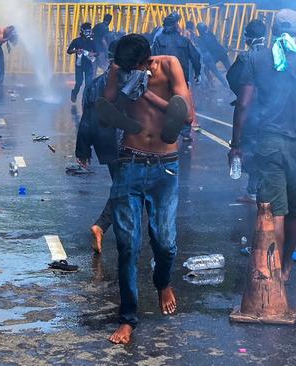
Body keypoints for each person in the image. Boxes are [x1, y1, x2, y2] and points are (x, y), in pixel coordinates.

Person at [229, 9, 296, 281]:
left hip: (270, 141)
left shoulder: (256, 58)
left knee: (274, 210)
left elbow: (243, 104)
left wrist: (236, 144)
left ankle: (273, 269)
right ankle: (285, 267)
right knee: (294, 210)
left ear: (272, 31)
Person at [100, 34, 193, 344]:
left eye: (135, 68)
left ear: (148, 61)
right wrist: (119, 75)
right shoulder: (121, 69)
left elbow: (188, 115)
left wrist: (146, 94)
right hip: (130, 161)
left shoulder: (170, 66)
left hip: (166, 165)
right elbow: (108, 103)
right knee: (128, 245)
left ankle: (163, 281)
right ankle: (128, 318)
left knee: (165, 242)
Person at [75, 41, 119, 254]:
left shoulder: (95, 84)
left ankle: (109, 226)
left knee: (123, 186)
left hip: (106, 145)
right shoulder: (134, 83)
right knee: (126, 188)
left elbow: (87, 118)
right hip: (127, 145)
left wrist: (83, 149)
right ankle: (102, 225)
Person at [227, 19, 267, 203]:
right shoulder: (273, 55)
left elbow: (232, 77)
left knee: (249, 147)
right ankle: (263, 189)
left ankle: (253, 191)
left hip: (251, 110)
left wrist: (242, 94)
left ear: (247, 37)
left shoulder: (245, 57)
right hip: (271, 110)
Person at [67, 22, 97, 103]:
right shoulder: (76, 41)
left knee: (88, 84)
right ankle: (74, 93)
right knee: (79, 83)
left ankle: (84, 99)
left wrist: (92, 53)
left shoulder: (91, 41)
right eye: (87, 32)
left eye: (89, 32)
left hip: (88, 65)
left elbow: (97, 53)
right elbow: (69, 51)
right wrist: (76, 51)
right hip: (79, 65)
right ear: (82, 31)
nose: (88, 34)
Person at [196, 22, 231, 89]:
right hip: (222, 52)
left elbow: (205, 49)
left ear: (200, 30)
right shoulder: (210, 34)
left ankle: (213, 84)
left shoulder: (201, 38)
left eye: (198, 30)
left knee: (208, 70)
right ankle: (235, 83)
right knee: (229, 69)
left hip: (216, 55)